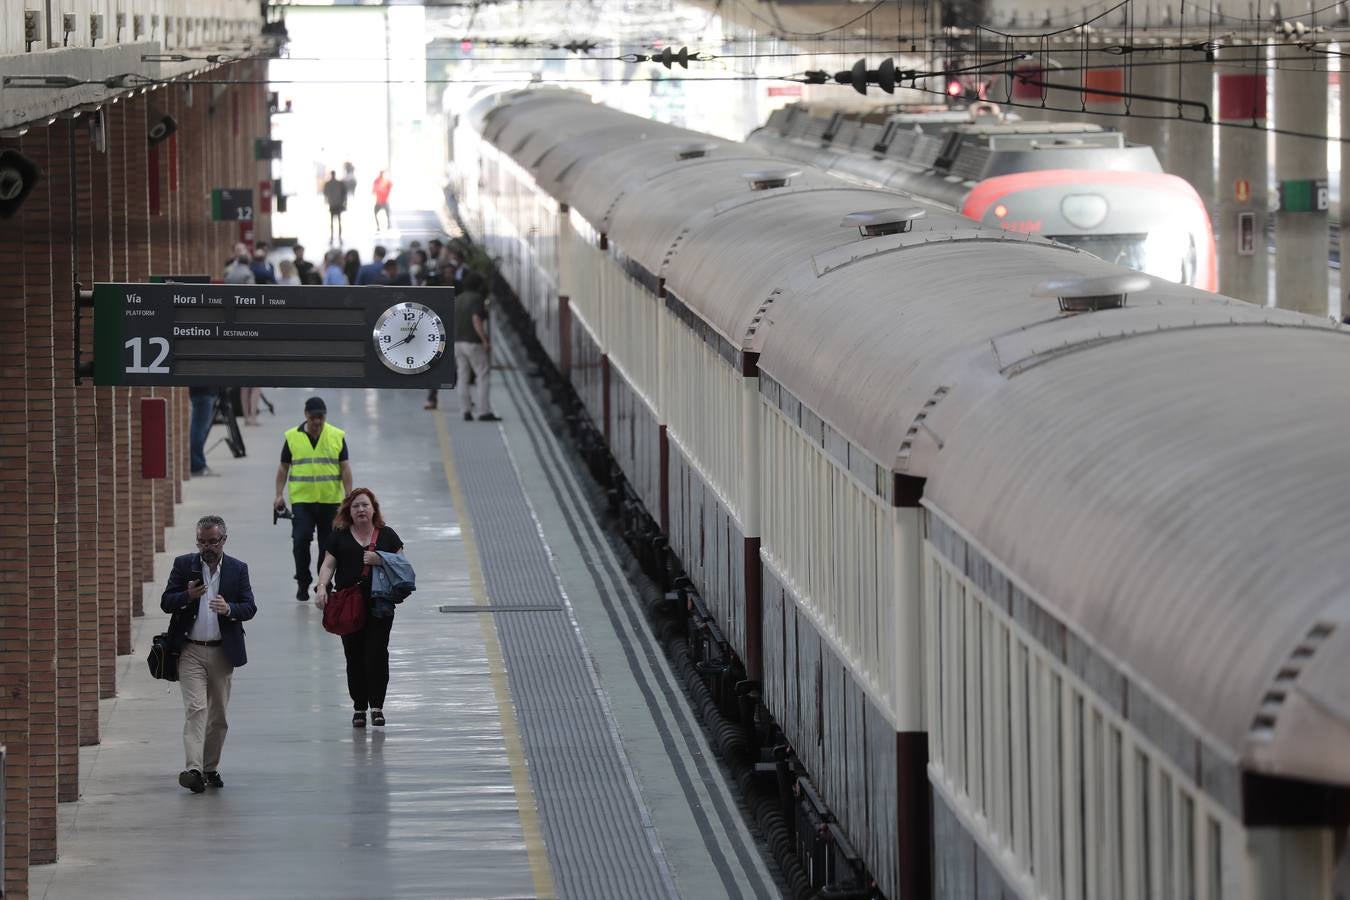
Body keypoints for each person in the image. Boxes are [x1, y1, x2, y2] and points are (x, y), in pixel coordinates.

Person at [160, 515, 256, 793]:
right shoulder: (183, 566)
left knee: (218, 716)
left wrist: (231, 610)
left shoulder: (237, 569)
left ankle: (210, 767)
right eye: (202, 542)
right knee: (196, 709)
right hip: (190, 650)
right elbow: (167, 602)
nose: (207, 547)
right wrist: (186, 596)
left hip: (222, 652)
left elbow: (250, 606)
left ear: (224, 540)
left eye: (213, 541)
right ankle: (193, 769)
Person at [315, 489, 404, 728]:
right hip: (348, 604)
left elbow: (403, 567)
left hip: (379, 605)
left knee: (376, 653)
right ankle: (359, 707)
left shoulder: (388, 536)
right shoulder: (339, 536)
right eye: (356, 506)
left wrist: (381, 560)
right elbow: (328, 564)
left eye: (365, 505)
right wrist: (322, 587)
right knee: (353, 655)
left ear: (374, 509)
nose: (361, 510)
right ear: (348, 511)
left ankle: (377, 706)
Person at [274, 396, 353, 601]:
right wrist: (278, 495)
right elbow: (283, 467)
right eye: (314, 417)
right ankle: (302, 580)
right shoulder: (292, 437)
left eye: (321, 417)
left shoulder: (336, 435)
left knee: (328, 545)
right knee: (300, 540)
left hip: (331, 501)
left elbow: (345, 467)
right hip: (303, 501)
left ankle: (323, 584)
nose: (317, 421)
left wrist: (349, 495)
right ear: (306, 415)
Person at [454, 287, 498, 422]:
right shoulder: (476, 299)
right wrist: (485, 340)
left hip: (458, 343)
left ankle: (465, 410)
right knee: (482, 374)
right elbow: (476, 319)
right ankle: (484, 411)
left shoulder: (458, 299)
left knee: (462, 377)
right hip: (473, 343)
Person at [189, 385, 217, 475]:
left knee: (199, 429)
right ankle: (197, 464)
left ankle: (197, 462)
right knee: (199, 430)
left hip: (201, 392)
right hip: (203, 392)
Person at [323, 171, 347, 244]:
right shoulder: (336, 183)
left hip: (335, 204)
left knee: (336, 221)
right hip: (334, 204)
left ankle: (337, 235)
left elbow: (326, 193)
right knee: (335, 221)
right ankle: (335, 235)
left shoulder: (334, 184)